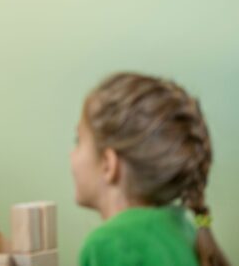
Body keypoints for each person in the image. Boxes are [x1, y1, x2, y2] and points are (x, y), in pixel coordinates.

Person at [70, 72, 229, 266]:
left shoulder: (108, 245)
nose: (72, 155)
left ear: (108, 164)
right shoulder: (183, 227)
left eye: (78, 141)